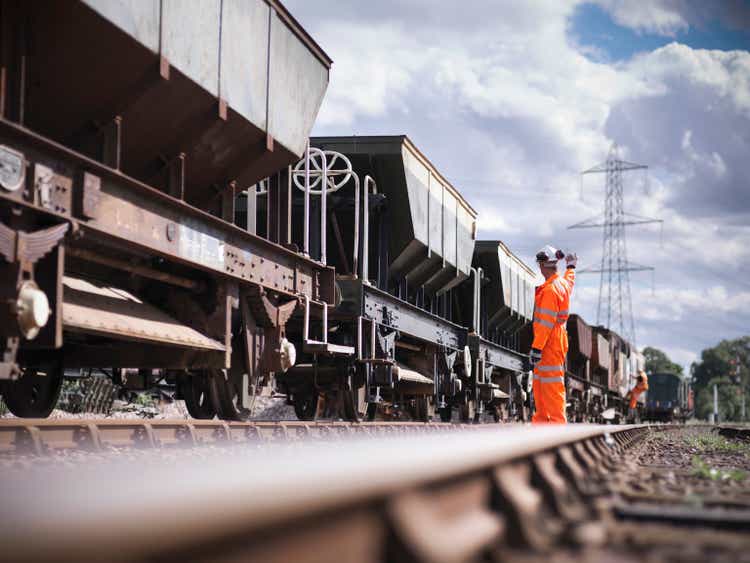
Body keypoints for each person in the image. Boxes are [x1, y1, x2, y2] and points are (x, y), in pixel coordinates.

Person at [527, 245, 576, 423]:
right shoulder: (561, 283)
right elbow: (570, 282)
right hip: (556, 339)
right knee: (541, 386)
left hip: (549, 342)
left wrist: (537, 348)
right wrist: (571, 267)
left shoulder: (549, 290)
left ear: (541, 265)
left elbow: (545, 324)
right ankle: (542, 425)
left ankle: (555, 426)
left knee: (550, 386)